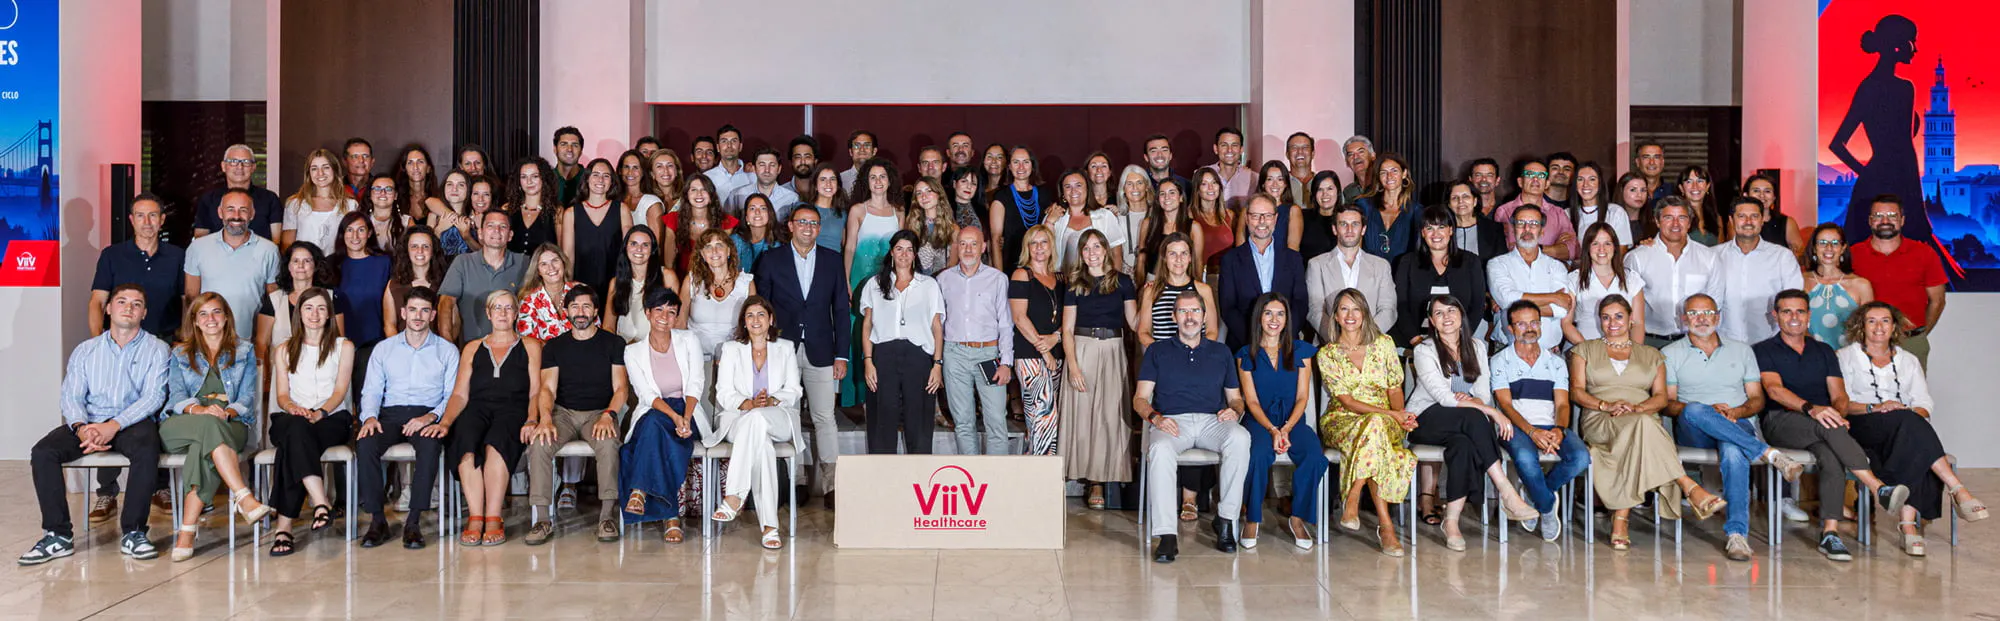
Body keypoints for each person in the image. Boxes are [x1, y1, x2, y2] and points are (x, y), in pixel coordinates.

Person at [1755, 289, 1911, 561]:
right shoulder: (1763, 350)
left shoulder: (1823, 350)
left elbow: (1839, 396)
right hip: (1780, 421)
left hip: (1825, 422)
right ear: (1775, 316)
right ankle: (1877, 487)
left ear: (1808, 316)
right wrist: (1812, 409)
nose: (1794, 317)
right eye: (1786, 311)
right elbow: (1774, 390)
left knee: (1830, 455)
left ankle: (1830, 533)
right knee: (1826, 426)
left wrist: (1836, 415)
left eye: (1800, 311)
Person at [22, 285, 170, 565]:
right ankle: (57, 535)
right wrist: (81, 427)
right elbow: (72, 395)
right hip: (88, 422)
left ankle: (134, 532)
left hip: (132, 422)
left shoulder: (158, 349)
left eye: (137, 304)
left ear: (144, 313)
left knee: (146, 448)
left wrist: (113, 425)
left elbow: (153, 397)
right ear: (108, 308)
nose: (129, 308)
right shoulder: (86, 350)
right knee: (44, 452)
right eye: (122, 302)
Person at [1570, 294, 1726, 549]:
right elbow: (1577, 391)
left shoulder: (1652, 354)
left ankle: (1621, 518)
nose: (1612, 323)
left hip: (1641, 416)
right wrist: (1605, 405)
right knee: (1645, 427)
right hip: (1601, 418)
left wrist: (1638, 407)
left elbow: (1662, 398)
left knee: (1642, 426)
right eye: (1606, 317)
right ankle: (1688, 485)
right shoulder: (1584, 349)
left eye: (1619, 316)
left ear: (1631, 320)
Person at [1837, 301, 1989, 556]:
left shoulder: (1908, 360)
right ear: (1861, 327)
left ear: (1894, 326)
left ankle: (1910, 526)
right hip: (1863, 425)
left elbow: (1924, 403)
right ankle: (1953, 491)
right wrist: (1878, 407)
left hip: (1904, 429)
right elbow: (1843, 403)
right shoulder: (1845, 357)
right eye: (1871, 321)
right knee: (1915, 432)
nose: (1878, 327)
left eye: (1885, 320)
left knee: (1913, 431)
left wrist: (1905, 413)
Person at [1662, 294, 1806, 561]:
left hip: (1736, 423)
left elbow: (1757, 399)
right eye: (1694, 313)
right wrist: (1707, 411)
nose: (1701, 319)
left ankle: (1737, 536)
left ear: (1718, 317)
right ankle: (1769, 454)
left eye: (1708, 313)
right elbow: (1668, 404)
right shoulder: (1670, 353)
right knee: (1695, 408)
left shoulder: (1742, 350)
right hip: (1694, 429)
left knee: (1732, 449)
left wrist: (1736, 411)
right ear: (1684, 319)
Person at [1407, 295, 1542, 550]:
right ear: (1431, 322)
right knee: (1474, 416)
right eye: (1438, 313)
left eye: (1451, 311)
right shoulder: (1424, 350)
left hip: (1462, 422)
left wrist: (1478, 403)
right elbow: (1443, 397)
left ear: (1461, 316)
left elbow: (1482, 392)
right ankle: (1506, 491)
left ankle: (1452, 522)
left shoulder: (1477, 347)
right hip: (1427, 418)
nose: (1446, 317)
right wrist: (1492, 412)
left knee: (1464, 445)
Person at [1138, 293, 1251, 563]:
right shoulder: (1157, 351)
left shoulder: (1221, 352)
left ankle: (1225, 521)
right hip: (1173, 422)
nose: (1189, 317)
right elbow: (1140, 398)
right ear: (1174, 316)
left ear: (1204, 316)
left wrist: (1234, 410)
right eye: (1183, 312)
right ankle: (1166, 535)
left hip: (1212, 420)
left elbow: (1236, 399)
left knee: (1240, 438)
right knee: (1161, 449)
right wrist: (1155, 417)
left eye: (1195, 311)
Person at [158, 293, 269, 561]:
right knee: (207, 428)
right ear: (194, 321)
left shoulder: (244, 350)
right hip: (183, 424)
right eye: (203, 314)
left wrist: (227, 412)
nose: (211, 319)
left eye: (217, 312)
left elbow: (246, 398)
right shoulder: (180, 353)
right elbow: (176, 398)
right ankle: (244, 497)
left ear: (227, 317)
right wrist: (200, 410)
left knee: (203, 447)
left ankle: (186, 530)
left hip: (231, 423)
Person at [754, 208, 850, 508]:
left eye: (814, 223)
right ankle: (795, 482)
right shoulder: (771, 259)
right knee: (789, 416)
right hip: (782, 350)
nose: (808, 227)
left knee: (825, 417)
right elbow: (761, 308)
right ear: (791, 226)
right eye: (802, 222)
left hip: (822, 350)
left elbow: (842, 310)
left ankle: (833, 485)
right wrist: (763, 350)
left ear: (819, 229)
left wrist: (842, 355)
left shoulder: (832, 260)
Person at [523, 284, 629, 545]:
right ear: (565, 311)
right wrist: (545, 418)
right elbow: (547, 388)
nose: (580, 312)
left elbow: (621, 388)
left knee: (607, 443)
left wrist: (609, 414)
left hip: (599, 413)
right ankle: (542, 519)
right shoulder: (555, 347)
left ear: (595, 310)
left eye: (586, 306)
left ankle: (607, 516)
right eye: (574, 306)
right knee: (539, 443)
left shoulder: (613, 342)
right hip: (564, 413)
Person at [355, 287, 459, 549]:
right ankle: (378, 520)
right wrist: (369, 417)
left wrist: (431, 416)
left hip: (428, 412)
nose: (418, 316)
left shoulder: (447, 351)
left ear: (433, 315)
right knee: (365, 443)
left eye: (424, 310)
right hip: (389, 413)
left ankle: (413, 522)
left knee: (430, 445)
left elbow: (453, 393)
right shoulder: (384, 348)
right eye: (412, 309)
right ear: (403, 313)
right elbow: (372, 390)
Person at [436, 289, 541, 546]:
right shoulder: (472, 348)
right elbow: (460, 394)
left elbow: (536, 390)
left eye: (508, 308)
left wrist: (531, 419)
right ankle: (475, 516)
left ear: (516, 313)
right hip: (477, 407)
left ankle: (494, 516)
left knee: (496, 444)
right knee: (466, 442)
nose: (503, 313)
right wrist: (446, 421)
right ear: (488, 313)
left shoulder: (530, 346)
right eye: (497, 308)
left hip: (513, 409)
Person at [1316, 288, 1414, 556]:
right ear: (1335, 316)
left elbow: (1395, 389)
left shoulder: (1383, 344)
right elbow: (1346, 401)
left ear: (1365, 314)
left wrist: (1399, 416)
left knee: (1375, 428)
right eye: (1344, 309)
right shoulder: (1328, 353)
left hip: (1385, 419)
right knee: (1374, 430)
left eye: (1356, 309)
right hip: (1342, 420)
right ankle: (1386, 528)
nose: (1350, 315)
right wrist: (1391, 416)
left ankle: (1353, 496)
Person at [1233, 294, 1329, 550]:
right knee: (1256, 455)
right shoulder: (1245, 354)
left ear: (1287, 319)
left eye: (1280, 314)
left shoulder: (1301, 351)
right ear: (1259, 318)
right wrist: (1272, 429)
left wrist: (1285, 428)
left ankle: (1297, 518)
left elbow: (1302, 397)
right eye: (1268, 313)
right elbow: (1251, 402)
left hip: (1293, 422)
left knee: (1314, 456)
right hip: (1259, 422)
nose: (1274, 320)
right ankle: (1252, 518)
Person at [1490, 300, 1591, 543]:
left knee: (1581, 458)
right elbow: (1505, 405)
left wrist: (1559, 429)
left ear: (1541, 325)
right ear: (1510, 328)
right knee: (1525, 457)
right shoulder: (1500, 361)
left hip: (1551, 424)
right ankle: (1546, 507)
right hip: (1516, 426)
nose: (1529, 328)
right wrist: (1532, 432)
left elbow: (1563, 404)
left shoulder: (1555, 362)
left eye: (1534, 322)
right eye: (1521, 323)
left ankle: (1535, 493)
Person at [264, 286, 354, 557]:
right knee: (296, 429)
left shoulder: (343, 346)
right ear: (299, 314)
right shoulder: (283, 350)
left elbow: (340, 391)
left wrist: (320, 413)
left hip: (331, 418)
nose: (314, 314)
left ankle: (284, 527)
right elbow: (281, 394)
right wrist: (294, 408)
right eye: (308, 308)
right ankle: (321, 503)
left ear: (329, 314)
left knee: (292, 445)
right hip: (291, 416)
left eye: (321, 308)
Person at [708, 297, 802, 549]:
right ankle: (770, 527)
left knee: (759, 419)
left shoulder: (785, 347)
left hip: (778, 417)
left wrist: (771, 400)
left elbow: (794, 390)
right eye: (750, 315)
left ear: (770, 319)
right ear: (744, 322)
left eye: (761, 314)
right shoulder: (731, 349)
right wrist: (749, 404)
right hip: (740, 418)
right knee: (763, 447)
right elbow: (723, 392)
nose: (756, 320)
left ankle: (734, 495)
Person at [618, 288, 708, 538]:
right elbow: (646, 394)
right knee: (656, 426)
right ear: (647, 313)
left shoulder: (689, 340)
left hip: (688, 409)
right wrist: (674, 417)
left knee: (652, 433)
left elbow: (696, 383)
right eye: (658, 310)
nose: (665, 317)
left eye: (671, 312)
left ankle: (640, 491)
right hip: (656, 409)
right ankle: (671, 517)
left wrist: (685, 417)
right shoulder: (632, 352)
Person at [1831, 15, 1927, 246]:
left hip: (1872, 186)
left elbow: (1837, 144)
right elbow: (1905, 150)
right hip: (1900, 183)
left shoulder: (1867, 86)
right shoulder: (1903, 88)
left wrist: (1867, 173)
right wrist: (1917, 204)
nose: (1915, 49)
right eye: (1912, 42)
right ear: (1897, 46)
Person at [1061, 230, 1139, 503]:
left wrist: (1152, 296)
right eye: (1086, 248)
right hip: (1082, 349)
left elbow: (1135, 324)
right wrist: (1073, 366)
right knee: (1084, 417)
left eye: (1097, 246)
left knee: (1110, 416)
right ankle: (1090, 481)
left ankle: (1105, 478)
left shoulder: (1124, 283)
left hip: (1113, 350)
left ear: (1106, 249)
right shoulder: (1075, 284)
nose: (1092, 252)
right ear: (1081, 254)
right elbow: (1067, 330)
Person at [859, 231, 946, 454]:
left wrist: (937, 365)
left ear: (915, 254)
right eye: (899, 249)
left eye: (909, 249)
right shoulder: (875, 284)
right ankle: (882, 476)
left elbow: (937, 326)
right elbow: (867, 324)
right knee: (882, 416)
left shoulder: (928, 285)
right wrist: (868, 360)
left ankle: (918, 476)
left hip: (918, 356)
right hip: (884, 355)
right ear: (891, 252)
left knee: (918, 419)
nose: (904, 254)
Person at [938, 226, 1015, 455]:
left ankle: (996, 481)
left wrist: (1006, 362)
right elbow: (938, 325)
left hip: (988, 355)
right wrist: (938, 361)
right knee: (963, 422)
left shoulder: (997, 279)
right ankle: (972, 482)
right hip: (955, 355)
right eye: (963, 244)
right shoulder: (944, 279)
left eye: (973, 244)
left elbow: (1005, 324)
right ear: (956, 247)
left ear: (983, 247)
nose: (968, 249)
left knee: (996, 422)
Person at [1848, 194, 1947, 367]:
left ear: (1902, 220)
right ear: (1870, 221)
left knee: (1912, 394)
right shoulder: (1852, 255)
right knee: (1864, 394)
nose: (1885, 221)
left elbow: (1937, 301)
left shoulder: (1924, 253)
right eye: (1878, 216)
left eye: (1892, 216)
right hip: (1865, 343)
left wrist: (1919, 334)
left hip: (1910, 342)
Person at [844, 158, 906, 406]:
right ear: (866, 182)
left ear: (889, 180)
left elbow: (902, 249)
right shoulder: (858, 210)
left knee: (884, 332)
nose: (878, 182)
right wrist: (846, 280)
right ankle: (856, 396)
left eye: (882, 177)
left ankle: (882, 393)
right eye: (873, 177)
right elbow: (849, 246)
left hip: (887, 281)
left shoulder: (898, 211)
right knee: (859, 332)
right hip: (859, 278)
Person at [256, 242, 340, 414]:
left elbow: (339, 340)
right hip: (283, 378)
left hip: (323, 377)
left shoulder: (331, 298)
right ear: (288, 266)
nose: (301, 266)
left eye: (307, 261)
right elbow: (261, 342)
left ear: (316, 265)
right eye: (295, 261)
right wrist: (263, 375)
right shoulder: (274, 300)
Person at [185, 189, 281, 339]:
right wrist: (190, 337)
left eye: (243, 210)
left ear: (252, 214)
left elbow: (274, 298)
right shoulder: (197, 248)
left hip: (250, 340)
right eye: (230, 209)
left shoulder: (269, 250)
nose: (236, 216)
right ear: (220, 212)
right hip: (206, 340)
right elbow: (191, 297)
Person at [1217, 194, 1310, 350]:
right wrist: (1255, 341)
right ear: (1246, 219)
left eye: (1267, 216)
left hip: (1285, 347)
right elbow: (1228, 308)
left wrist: (1281, 339)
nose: (1261, 222)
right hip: (1244, 346)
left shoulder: (1293, 259)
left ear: (1275, 219)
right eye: (1255, 216)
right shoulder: (1230, 259)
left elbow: (1300, 303)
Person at [1624, 197, 1719, 348]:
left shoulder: (1709, 257)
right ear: (1657, 221)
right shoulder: (1637, 257)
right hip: (1650, 343)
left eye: (1681, 218)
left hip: (1694, 342)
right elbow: (1627, 306)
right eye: (1668, 218)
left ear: (1689, 222)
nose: (1675, 224)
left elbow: (1716, 303)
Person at [91, 194, 184, 340]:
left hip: (167, 342)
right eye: (140, 215)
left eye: (152, 215)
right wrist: (97, 342)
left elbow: (187, 302)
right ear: (132, 220)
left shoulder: (178, 256)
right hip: (121, 342)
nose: (147, 222)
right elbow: (98, 302)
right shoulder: (112, 255)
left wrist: (185, 340)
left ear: (162, 220)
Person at [1714, 197, 1804, 344]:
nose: (1748, 222)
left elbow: (1794, 302)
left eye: (1754, 216)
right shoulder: (1713, 256)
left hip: (1769, 343)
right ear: (1731, 220)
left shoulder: (1782, 257)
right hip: (1724, 343)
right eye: (1741, 216)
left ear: (1762, 220)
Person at [1391, 207, 1487, 346]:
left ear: (1451, 230)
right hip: (1415, 343)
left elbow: (1477, 305)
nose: (1436, 234)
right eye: (1429, 228)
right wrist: (1417, 342)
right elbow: (1400, 305)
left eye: (1441, 227)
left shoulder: (1471, 261)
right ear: (1423, 233)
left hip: (1459, 343)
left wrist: (1459, 340)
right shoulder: (1407, 262)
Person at [1010, 225, 1065, 459]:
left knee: (1051, 418)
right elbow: (1019, 317)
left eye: (1044, 242)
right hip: (1031, 356)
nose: (1039, 248)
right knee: (1043, 417)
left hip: (1059, 353)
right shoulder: (1022, 275)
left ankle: (1034, 468)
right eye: (1034, 243)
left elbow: (1072, 316)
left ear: (1051, 246)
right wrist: (1046, 352)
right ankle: (1041, 475)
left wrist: (1057, 337)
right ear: (1027, 248)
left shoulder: (1061, 278)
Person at [1487, 203, 1569, 352]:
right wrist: (1553, 297)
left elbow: (1562, 309)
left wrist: (1513, 309)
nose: (1527, 229)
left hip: (1549, 352)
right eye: (1521, 223)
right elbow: (1506, 299)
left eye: (1533, 223)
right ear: (1513, 229)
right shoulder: (1497, 264)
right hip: (1506, 350)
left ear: (1542, 231)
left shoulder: (1557, 267)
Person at [1309, 204, 1396, 342]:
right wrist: (1339, 340)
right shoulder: (1316, 265)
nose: (1349, 229)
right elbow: (1315, 310)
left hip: (1371, 346)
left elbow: (1388, 310)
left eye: (1355, 224)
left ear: (1363, 229)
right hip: (1330, 345)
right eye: (1343, 224)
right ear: (1334, 229)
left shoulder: (1381, 266)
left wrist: (1365, 338)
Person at [440, 210, 528, 343]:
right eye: (490, 226)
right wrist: (447, 346)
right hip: (471, 351)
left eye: (503, 226)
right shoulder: (463, 262)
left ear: (510, 235)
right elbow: (446, 303)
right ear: (480, 233)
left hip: (513, 352)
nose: (496, 230)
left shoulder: (524, 263)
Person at [1561, 223, 1646, 344]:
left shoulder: (1632, 279)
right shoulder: (1574, 279)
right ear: (1587, 248)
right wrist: (1590, 352)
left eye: (1607, 243)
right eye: (1595, 244)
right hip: (1584, 348)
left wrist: (1633, 354)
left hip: (1622, 351)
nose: (1602, 249)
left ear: (1615, 247)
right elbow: (1566, 323)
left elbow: (1638, 323)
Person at [682, 229, 755, 361]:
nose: (714, 251)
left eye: (719, 245)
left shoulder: (746, 283)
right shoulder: (692, 281)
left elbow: (753, 327)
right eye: (708, 247)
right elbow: (680, 323)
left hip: (733, 359)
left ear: (728, 251)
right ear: (702, 255)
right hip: (696, 358)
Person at [564, 158, 630, 297]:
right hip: (581, 285)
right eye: (596, 175)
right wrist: (567, 286)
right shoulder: (571, 213)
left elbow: (628, 250)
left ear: (612, 182)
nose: (601, 179)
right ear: (587, 179)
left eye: (606, 176)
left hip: (615, 285)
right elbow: (568, 255)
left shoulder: (622, 209)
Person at [1804, 223, 1875, 346]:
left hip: (1848, 358)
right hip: (1809, 356)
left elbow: (1868, 328)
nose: (1829, 247)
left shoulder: (1861, 285)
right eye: (1822, 242)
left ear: (1843, 248)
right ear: (1814, 248)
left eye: (1835, 243)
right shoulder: (1800, 281)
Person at [1493, 159, 1577, 262]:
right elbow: (1508, 250)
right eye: (1530, 174)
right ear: (1520, 182)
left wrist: (1539, 249)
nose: (1535, 179)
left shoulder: (1558, 213)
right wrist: (1555, 248)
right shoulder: (1504, 212)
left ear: (1547, 183)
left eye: (1541, 175)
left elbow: (1574, 250)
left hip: (1551, 274)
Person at [193, 144, 283, 238]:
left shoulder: (270, 199)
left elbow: (276, 241)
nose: (240, 166)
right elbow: (200, 239)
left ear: (253, 167)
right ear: (223, 166)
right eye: (233, 161)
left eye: (246, 161)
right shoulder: (208, 199)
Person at [1047, 169, 1128, 272]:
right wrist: (1049, 222)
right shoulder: (1054, 218)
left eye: (1078, 185)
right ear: (1063, 193)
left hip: (1099, 283)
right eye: (1068, 187)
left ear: (1087, 189)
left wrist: (1113, 284)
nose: (1073, 191)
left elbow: (1116, 255)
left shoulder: (1105, 216)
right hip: (1062, 284)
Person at [606, 225, 676, 344]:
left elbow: (675, 322)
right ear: (626, 248)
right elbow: (608, 326)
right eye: (633, 244)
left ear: (652, 250)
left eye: (645, 245)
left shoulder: (667, 277)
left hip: (656, 348)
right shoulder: (616, 282)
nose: (639, 249)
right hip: (623, 349)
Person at [281, 148, 359, 253]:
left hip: (337, 266)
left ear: (334, 170)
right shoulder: (295, 204)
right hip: (304, 267)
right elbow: (287, 246)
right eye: (314, 168)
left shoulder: (350, 205)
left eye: (326, 167)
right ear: (309, 173)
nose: (320, 173)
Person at [988, 146, 1048, 271]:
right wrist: (1000, 275)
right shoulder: (1001, 196)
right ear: (1009, 166)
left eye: (1025, 162)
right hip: (1011, 266)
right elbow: (996, 239)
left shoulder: (1044, 194)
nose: (1021, 167)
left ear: (1032, 165)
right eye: (1016, 162)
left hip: (1042, 266)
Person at [384, 226, 448, 338]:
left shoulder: (446, 284)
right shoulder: (394, 285)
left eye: (426, 246)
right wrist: (400, 350)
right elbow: (389, 325)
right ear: (406, 250)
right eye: (414, 246)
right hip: (402, 352)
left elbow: (454, 324)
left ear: (433, 250)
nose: (420, 251)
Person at [1137, 178, 1203, 286]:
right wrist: (1140, 288)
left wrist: (1196, 289)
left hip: (1183, 282)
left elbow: (1198, 263)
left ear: (1181, 197)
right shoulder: (1148, 224)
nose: (1167, 197)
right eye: (1162, 194)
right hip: (1152, 283)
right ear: (1158, 199)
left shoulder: (1194, 227)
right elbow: (1141, 259)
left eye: (1172, 192)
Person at [1355, 153, 1420, 260]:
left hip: (1402, 274)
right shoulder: (1364, 206)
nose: (1389, 176)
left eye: (1394, 171)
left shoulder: (1416, 211)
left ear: (1404, 174)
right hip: (1369, 273)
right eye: (1383, 172)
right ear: (1378, 177)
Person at [514, 243, 579, 341]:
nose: (551, 267)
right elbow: (527, 344)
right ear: (538, 271)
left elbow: (594, 330)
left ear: (563, 263)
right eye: (544, 264)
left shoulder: (580, 291)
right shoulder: (529, 301)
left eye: (555, 261)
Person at [1242, 161, 1304, 251]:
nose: (1275, 184)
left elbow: (1293, 249)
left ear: (1286, 183)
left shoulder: (1293, 211)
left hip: (1283, 263)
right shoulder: (1246, 211)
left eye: (1280, 179)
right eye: (1269, 179)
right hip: (1250, 263)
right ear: (1263, 184)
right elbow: (1240, 249)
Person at [1567, 162, 1631, 246]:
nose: (1585, 184)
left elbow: (1622, 250)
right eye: (1580, 179)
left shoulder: (1615, 212)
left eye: (1592, 179)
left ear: (1600, 183)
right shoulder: (1566, 214)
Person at [727, 147, 802, 218]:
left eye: (772, 165)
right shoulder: (737, 195)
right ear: (754, 168)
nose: (767, 170)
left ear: (779, 169)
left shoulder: (791, 198)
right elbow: (728, 228)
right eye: (762, 165)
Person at [508, 158, 562, 255]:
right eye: (524, 177)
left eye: (535, 176)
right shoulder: (508, 209)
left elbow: (562, 251)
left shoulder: (557, 212)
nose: (529, 181)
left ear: (544, 178)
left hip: (543, 269)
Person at [904, 176, 958, 274]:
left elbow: (952, 267)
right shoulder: (911, 226)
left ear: (938, 194)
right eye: (919, 193)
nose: (924, 196)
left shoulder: (953, 229)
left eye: (928, 191)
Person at [1443, 179, 1506, 261]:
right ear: (1449, 204)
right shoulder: (1442, 230)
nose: (1460, 201)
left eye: (1465, 197)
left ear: (1475, 201)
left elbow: (1502, 263)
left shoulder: (1494, 229)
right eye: (1455, 198)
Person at [1743, 173, 1805, 255]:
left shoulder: (1787, 222)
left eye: (1767, 191)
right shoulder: (1737, 222)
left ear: (1774, 197)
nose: (1762, 195)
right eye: (1756, 191)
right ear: (1746, 195)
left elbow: (1801, 255)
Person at [1196, 127, 1256, 211]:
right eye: (1224, 145)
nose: (1229, 150)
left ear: (1241, 149)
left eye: (1234, 145)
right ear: (1216, 149)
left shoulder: (1253, 178)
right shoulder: (1201, 174)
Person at [1190, 169, 1236, 270]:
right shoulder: (1189, 215)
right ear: (1197, 189)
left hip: (1227, 274)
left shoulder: (1230, 215)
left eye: (1214, 182)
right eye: (1204, 184)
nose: (1211, 188)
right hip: (1201, 274)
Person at [1113, 165, 1154, 273]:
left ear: (1147, 187)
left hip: (1153, 275)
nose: (1135, 188)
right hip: (1125, 275)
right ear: (1123, 189)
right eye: (1129, 184)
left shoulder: (1158, 215)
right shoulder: (1117, 218)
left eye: (1139, 183)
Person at [637, 149, 684, 240]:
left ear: (677, 171)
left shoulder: (688, 198)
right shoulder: (645, 201)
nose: (665, 171)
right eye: (659, 166)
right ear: (652, 174)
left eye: (670, 166)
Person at [431, 170, 478, 258]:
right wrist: (439, 229)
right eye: (449, 184)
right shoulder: (434, 215)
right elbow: (426, 250)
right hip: (441, 269)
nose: (454, 189)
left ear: (469, 189)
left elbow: (484, 254)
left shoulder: (475, 215)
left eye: (461, 185)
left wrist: (467, 236)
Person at [1671, 166, 1722, 246]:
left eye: (1700, 181)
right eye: (1689, 182)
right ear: (1681, 188)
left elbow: (1721, 250)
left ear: (1707, 186)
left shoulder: (1716, 218)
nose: (1695, 186)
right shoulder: (1675, 218)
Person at [731, 193, 784, 271]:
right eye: (752, 208)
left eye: (763, 208)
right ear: (746, 218)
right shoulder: (734, 241)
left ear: (769, 215)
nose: (757, 212)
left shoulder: (777, 246)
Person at [360, 174, 411, 253]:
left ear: (395, 195)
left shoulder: (406, 222)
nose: (383, 193)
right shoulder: (360, 220)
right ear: (370, 194)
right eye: (377, 189)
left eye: (388, 189)